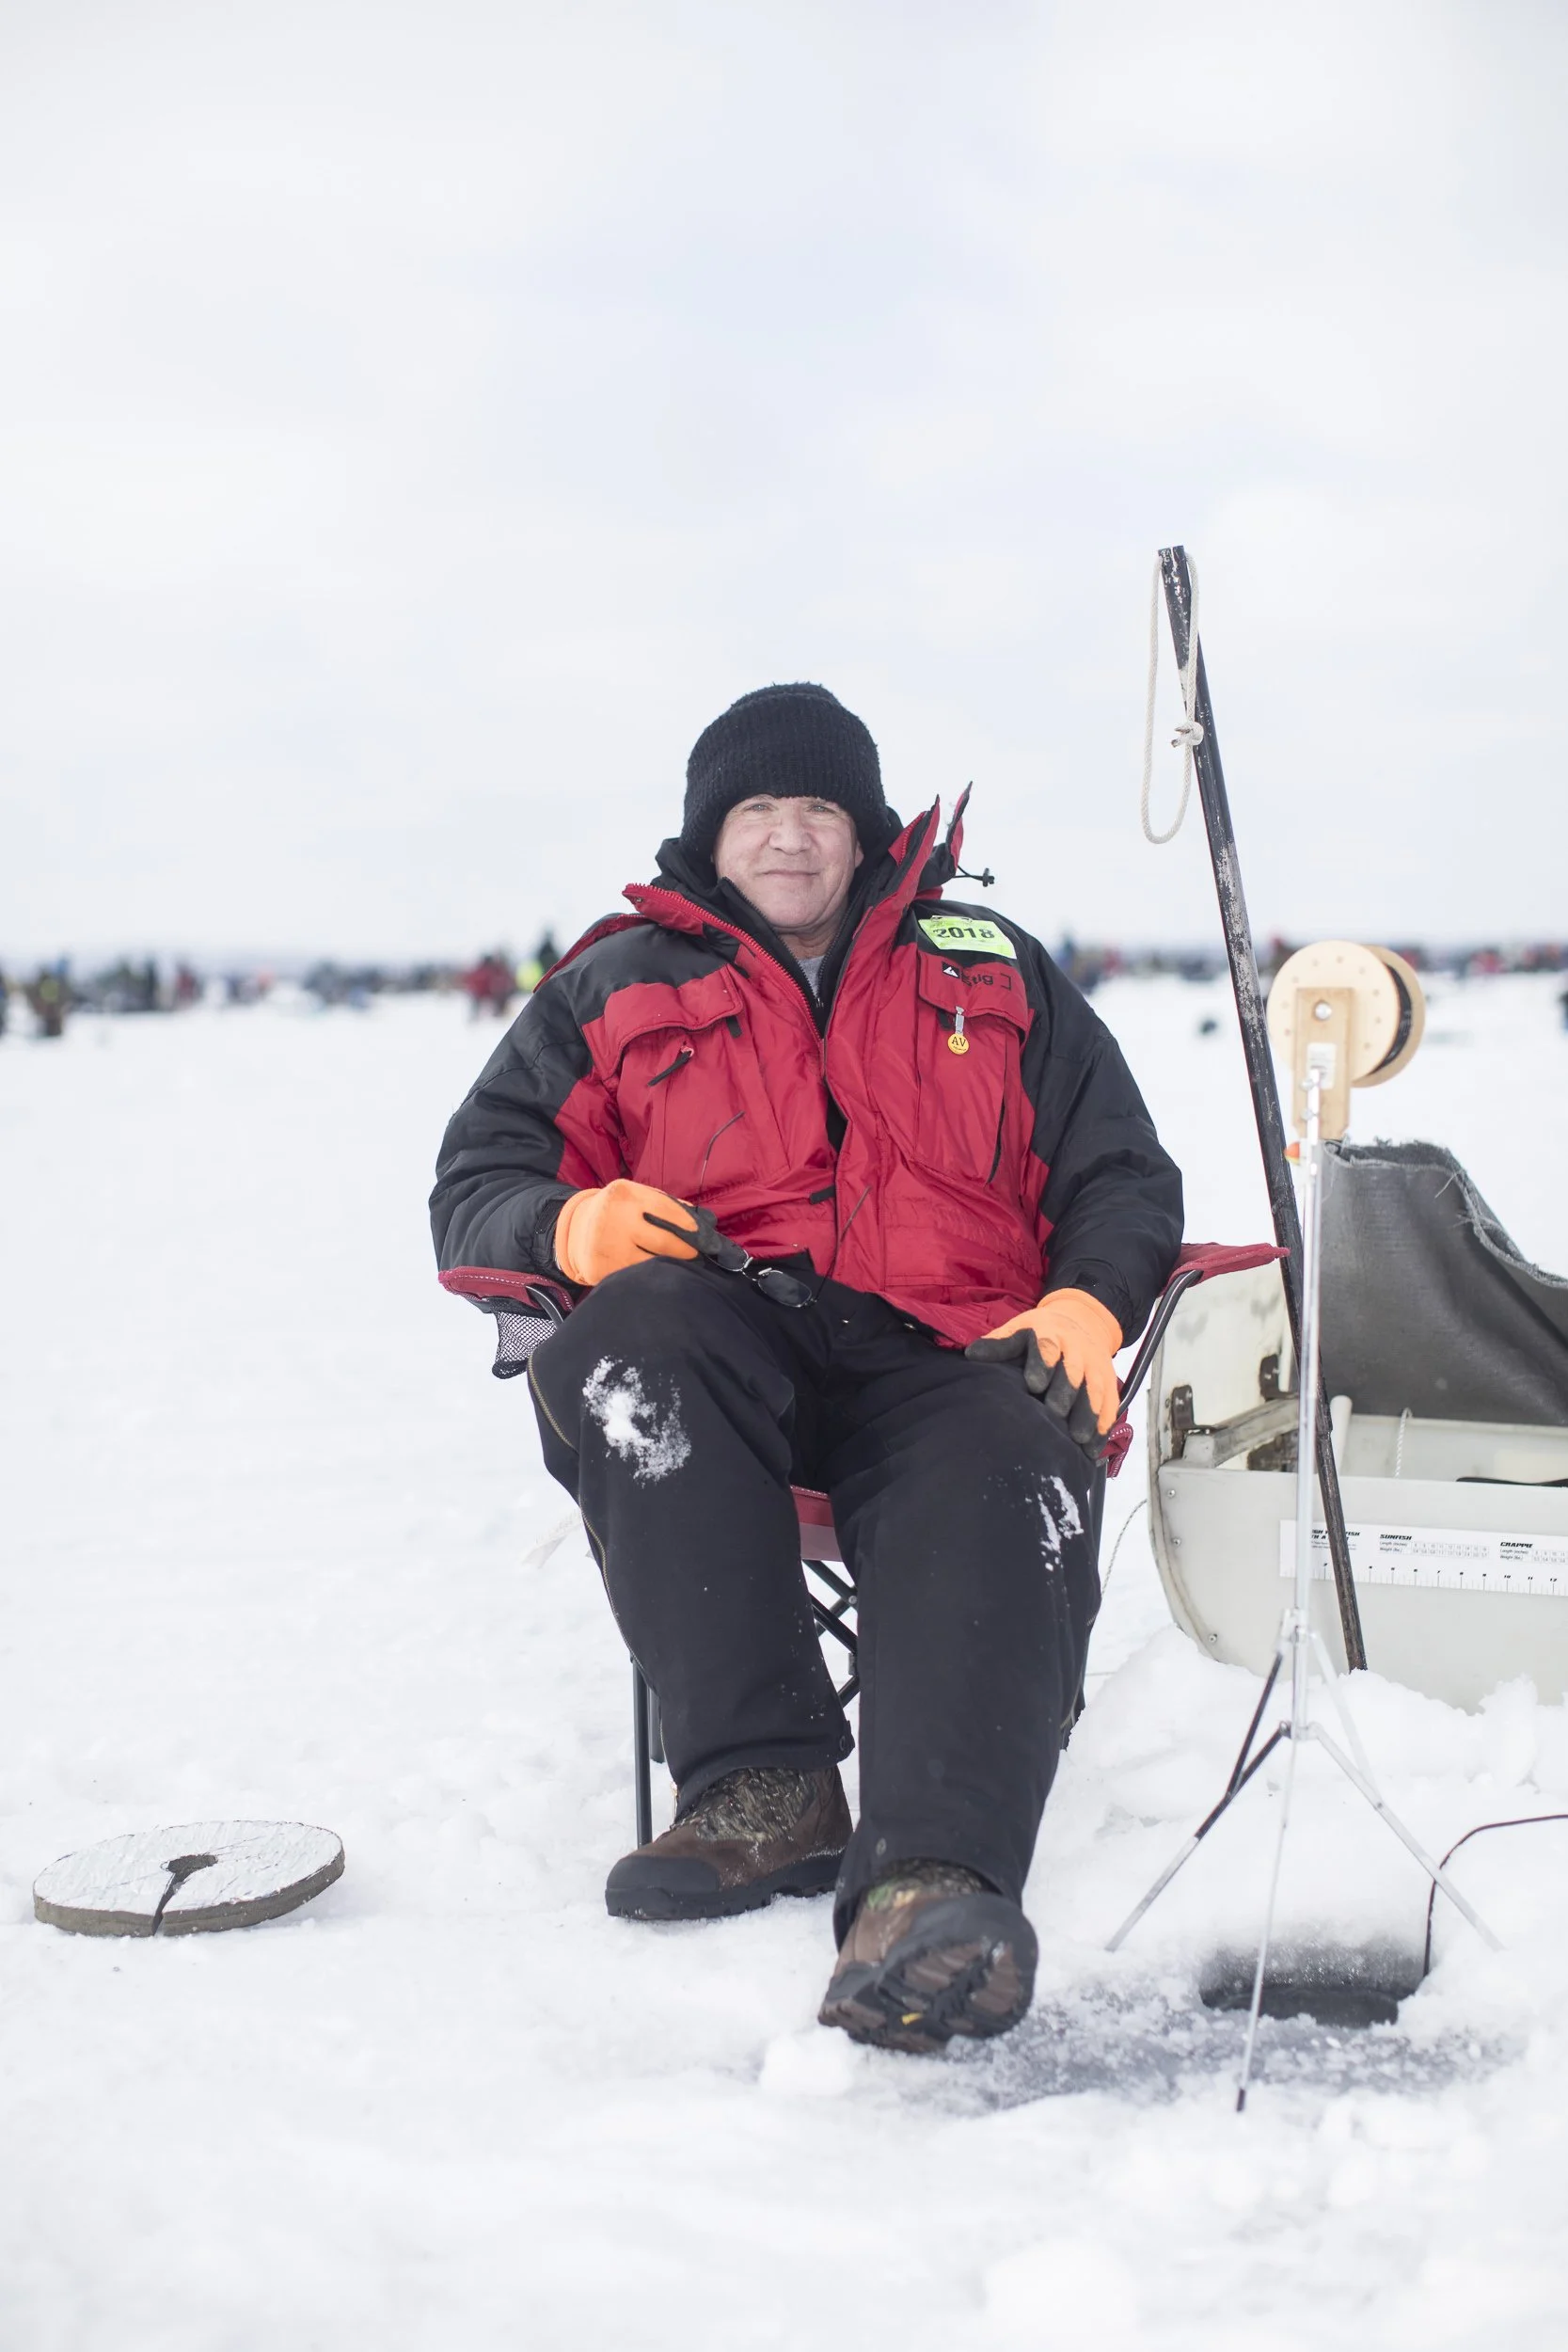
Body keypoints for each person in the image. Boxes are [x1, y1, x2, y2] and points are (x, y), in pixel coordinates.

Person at [431, 684, 1182, 2052]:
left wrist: (1088, 1301)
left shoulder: (995, 967)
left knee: (1007, 1446)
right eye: (758, 811)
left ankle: (927, 1892)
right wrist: (564, 1223)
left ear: (863, 830)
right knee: (631, 1340)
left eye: (818, 809)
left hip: (958, 1352)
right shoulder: (611, 982)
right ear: (709, 837)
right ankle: (762, 1791)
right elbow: (479, 1177)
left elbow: (1121, 1172)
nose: (788, 838)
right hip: (734, 1347)